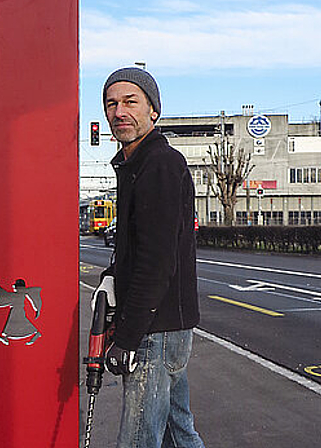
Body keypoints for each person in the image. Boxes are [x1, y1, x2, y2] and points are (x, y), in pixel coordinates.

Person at [91, 67, 205, 448]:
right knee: (178, 431)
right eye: (111, 103)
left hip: (154, 331)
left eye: (130, 101)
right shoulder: (137, 166)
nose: (119, 111)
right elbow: (140, 246)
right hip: (166, 325)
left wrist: (127, 337)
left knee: (139, 438)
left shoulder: (158, 165)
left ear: (153, 111)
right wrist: (112, 275)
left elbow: (157, 261)